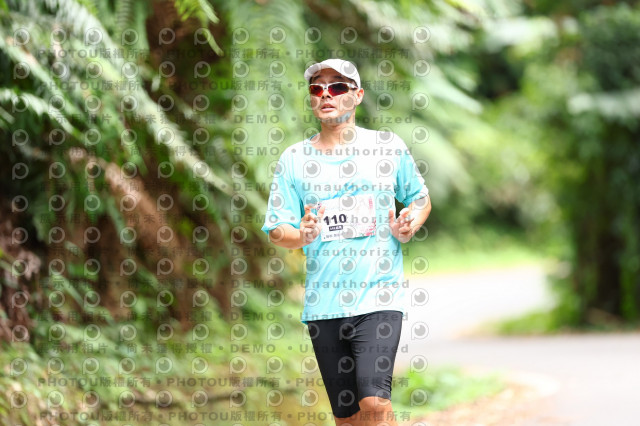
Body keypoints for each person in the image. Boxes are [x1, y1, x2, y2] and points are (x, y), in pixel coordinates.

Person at [261, 58, 431, 426]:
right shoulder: (293, 159)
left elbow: (420, 199)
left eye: (337, 87)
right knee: (348, 418)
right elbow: (276, 229)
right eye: (317, 88)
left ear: (357, 95)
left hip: (379, 295)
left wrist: (409, 223)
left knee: (375, 401)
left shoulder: (386, 147)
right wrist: (302, 234)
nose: (326, 95)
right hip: (325, 305)